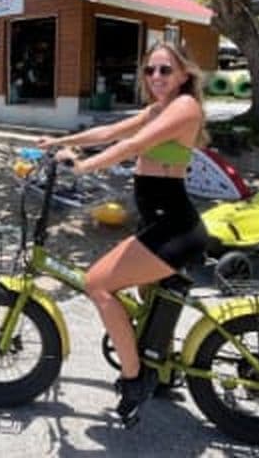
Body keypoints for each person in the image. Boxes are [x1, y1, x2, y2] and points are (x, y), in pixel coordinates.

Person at [37, 41, 209, 425]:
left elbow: (132, 145)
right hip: (158, 222)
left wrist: (80, 169)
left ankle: (135, 380)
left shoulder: (184, 107)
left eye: (165, 70)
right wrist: (61, 142)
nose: (156, 78)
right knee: (150, 303)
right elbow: (111, 131)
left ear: (184, 74)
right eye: (150, 70)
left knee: (97, 283)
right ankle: (160, 370)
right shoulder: (158, 109)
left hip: (174, 227)